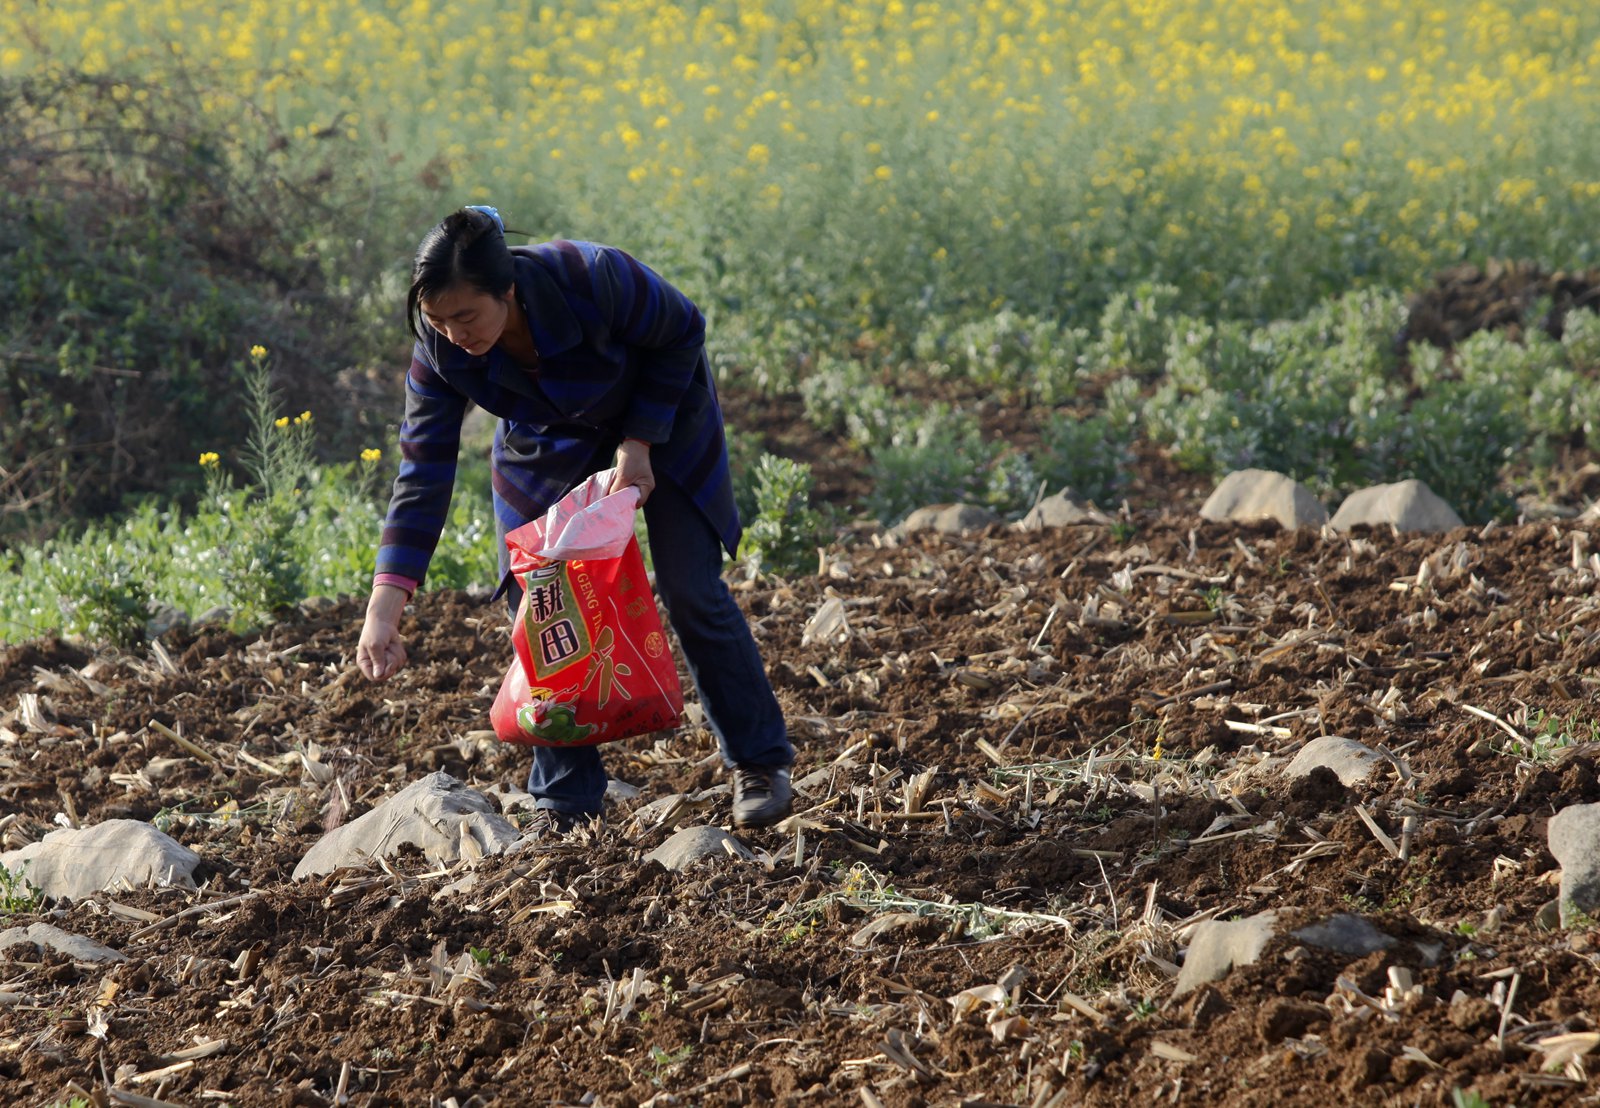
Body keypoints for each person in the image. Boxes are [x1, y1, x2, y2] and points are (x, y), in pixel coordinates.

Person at [355, 206, 794, 830]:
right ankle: (565, 799)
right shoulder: (439, 348)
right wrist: (384, 609)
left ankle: (759, 762)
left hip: (661, 415)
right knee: (541, 600)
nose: (454, 334)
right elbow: (423, 469)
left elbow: (683, 329)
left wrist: (639, 442)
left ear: (506, 289)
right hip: (546, 440)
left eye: (466, 316)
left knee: (689, 586)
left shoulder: (593, 276)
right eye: (437, 321)